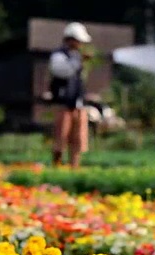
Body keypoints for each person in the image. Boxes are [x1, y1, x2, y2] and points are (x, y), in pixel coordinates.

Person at [48, 22, 92, 168]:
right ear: (70, 39)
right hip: (64, 103)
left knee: (78, 140)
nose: (80, 44)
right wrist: (78, 62)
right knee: (61, 138)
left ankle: (74, 167)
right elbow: (62, 71)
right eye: (78, 40)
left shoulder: (76, 56)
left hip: (78, 103)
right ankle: (57, 166)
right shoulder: (59, 55)